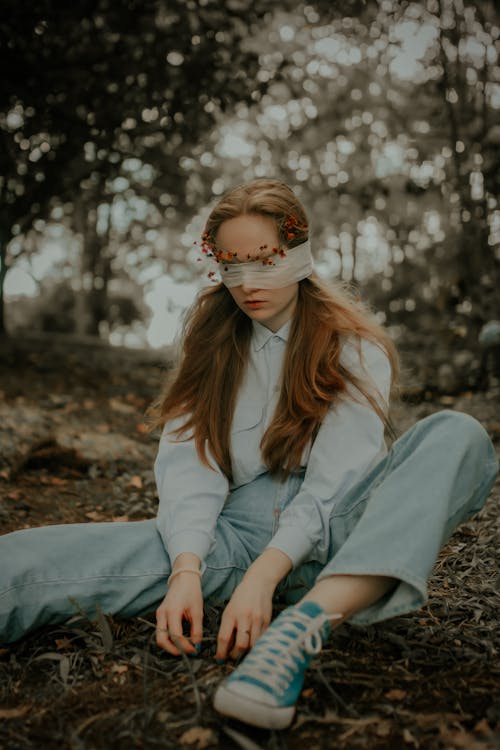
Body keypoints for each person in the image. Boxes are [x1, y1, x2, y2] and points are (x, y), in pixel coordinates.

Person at [0, 179, 497, 731]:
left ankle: (298, 630)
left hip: (340, 538)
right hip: (232, 534)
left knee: (458, 434)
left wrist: (265, 579)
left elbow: (336, 483)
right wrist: (186, 568)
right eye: (231, 265)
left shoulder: (352, 346)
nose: (248, 282)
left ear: (299, 252)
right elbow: (191, 460)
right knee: (31, 558)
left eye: (265, 261)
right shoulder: (212, 340)